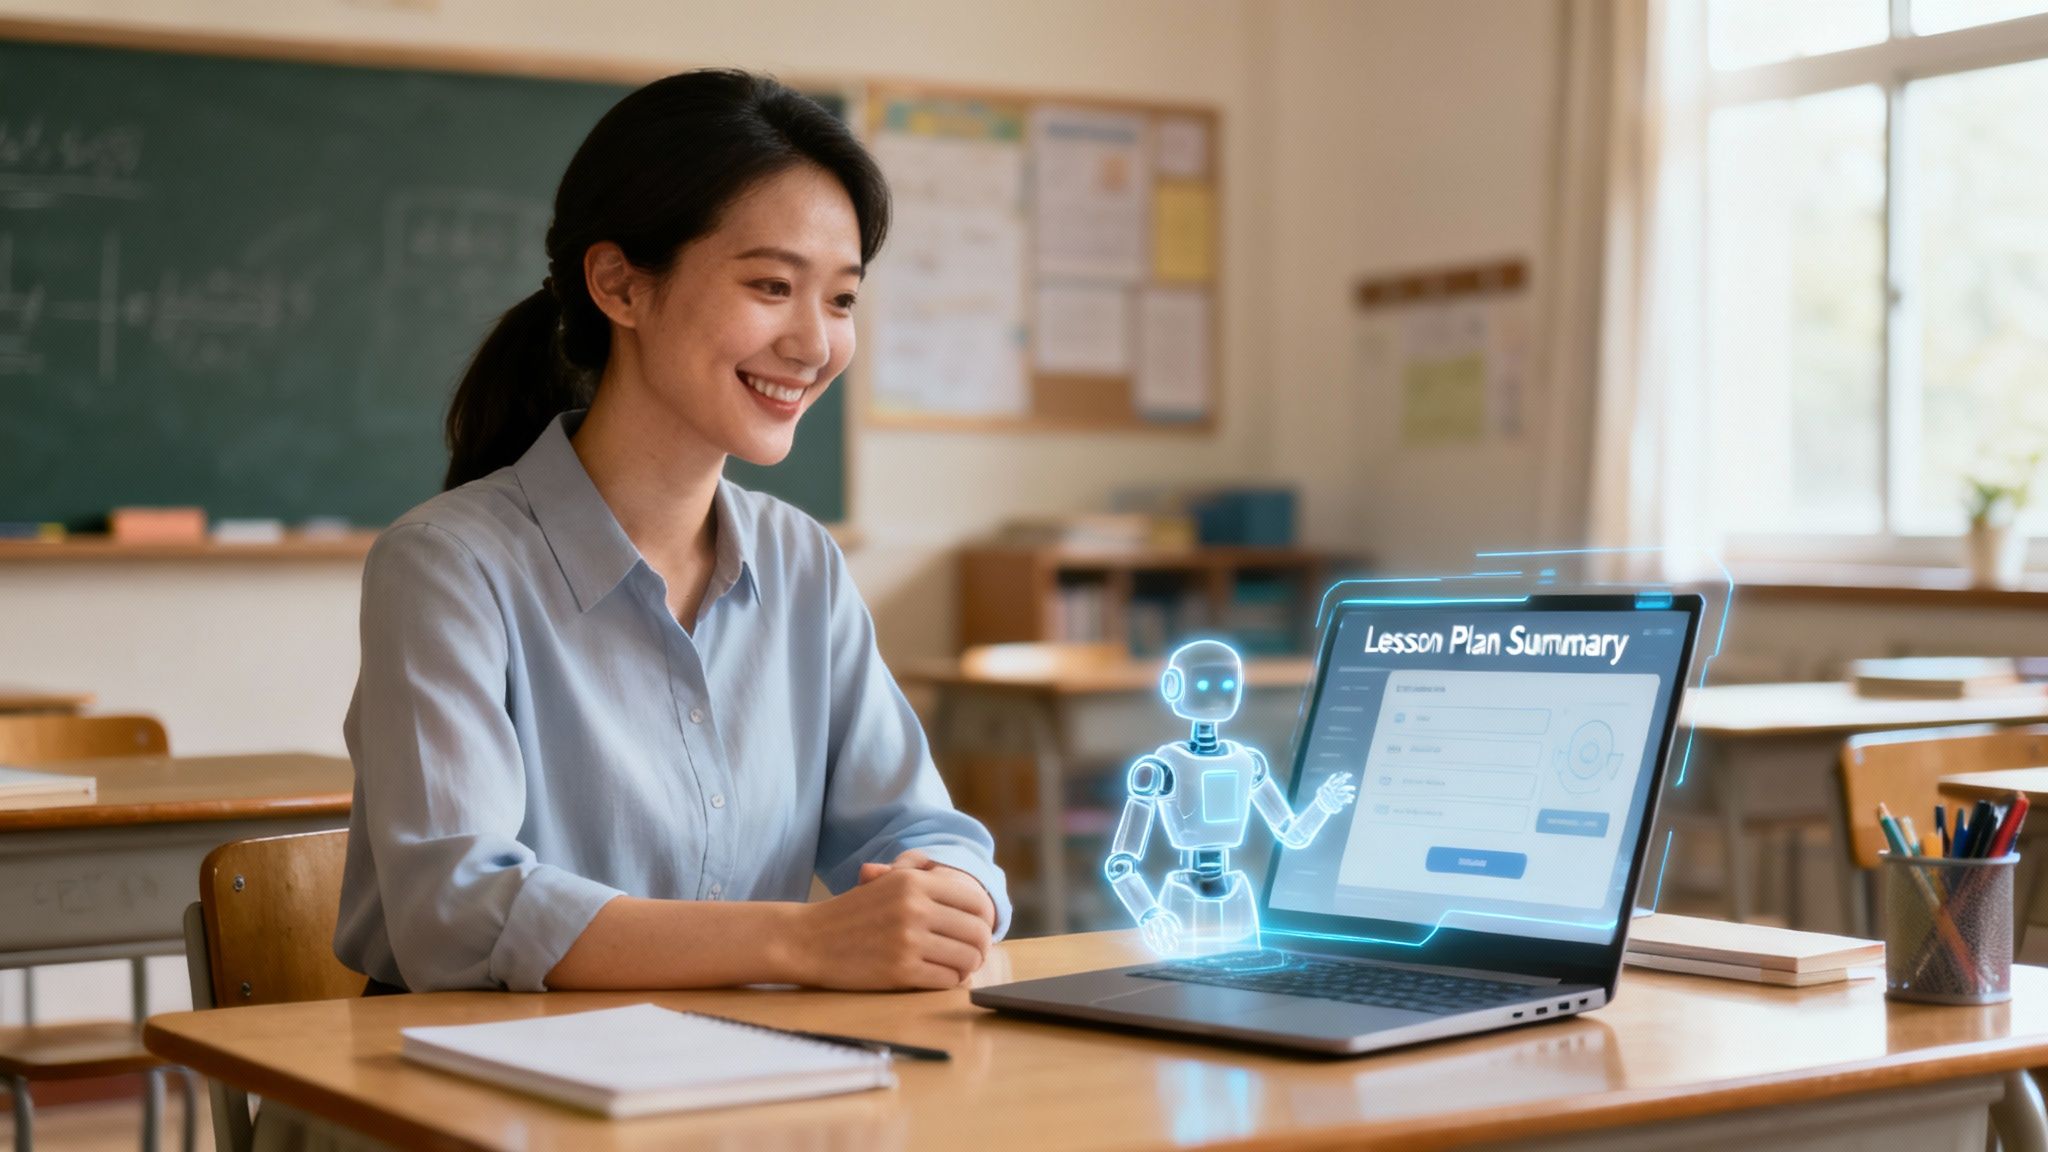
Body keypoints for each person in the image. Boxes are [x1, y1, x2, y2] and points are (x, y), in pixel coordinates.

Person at [333, 69, 1008, 995]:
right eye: (772, 285)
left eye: (842, 299)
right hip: (470, 1097)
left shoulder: (803, 563)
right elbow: (456, 914)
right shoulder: (449, 566)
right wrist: (804, 944)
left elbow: (920, 832)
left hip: (730, 1080)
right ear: (618, 285)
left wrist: (947, 894)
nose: (815, 345)